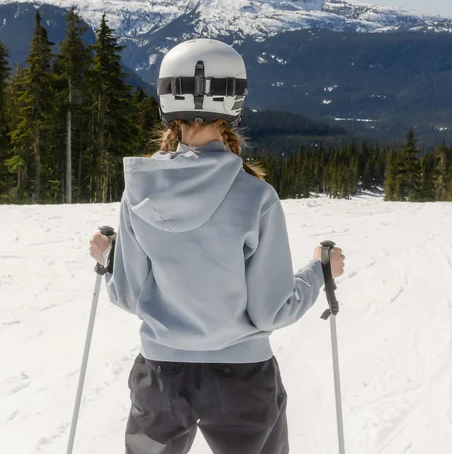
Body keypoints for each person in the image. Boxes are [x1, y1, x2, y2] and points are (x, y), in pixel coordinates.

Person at [89, 38, 345, 454]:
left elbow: (130, 294)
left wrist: (108, 256)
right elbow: (271, 309)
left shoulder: (138, 193)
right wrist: (319, 271)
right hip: (242, 378)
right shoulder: (255, 197)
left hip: (161, 375)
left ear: (166, 100)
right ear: (235, 102)